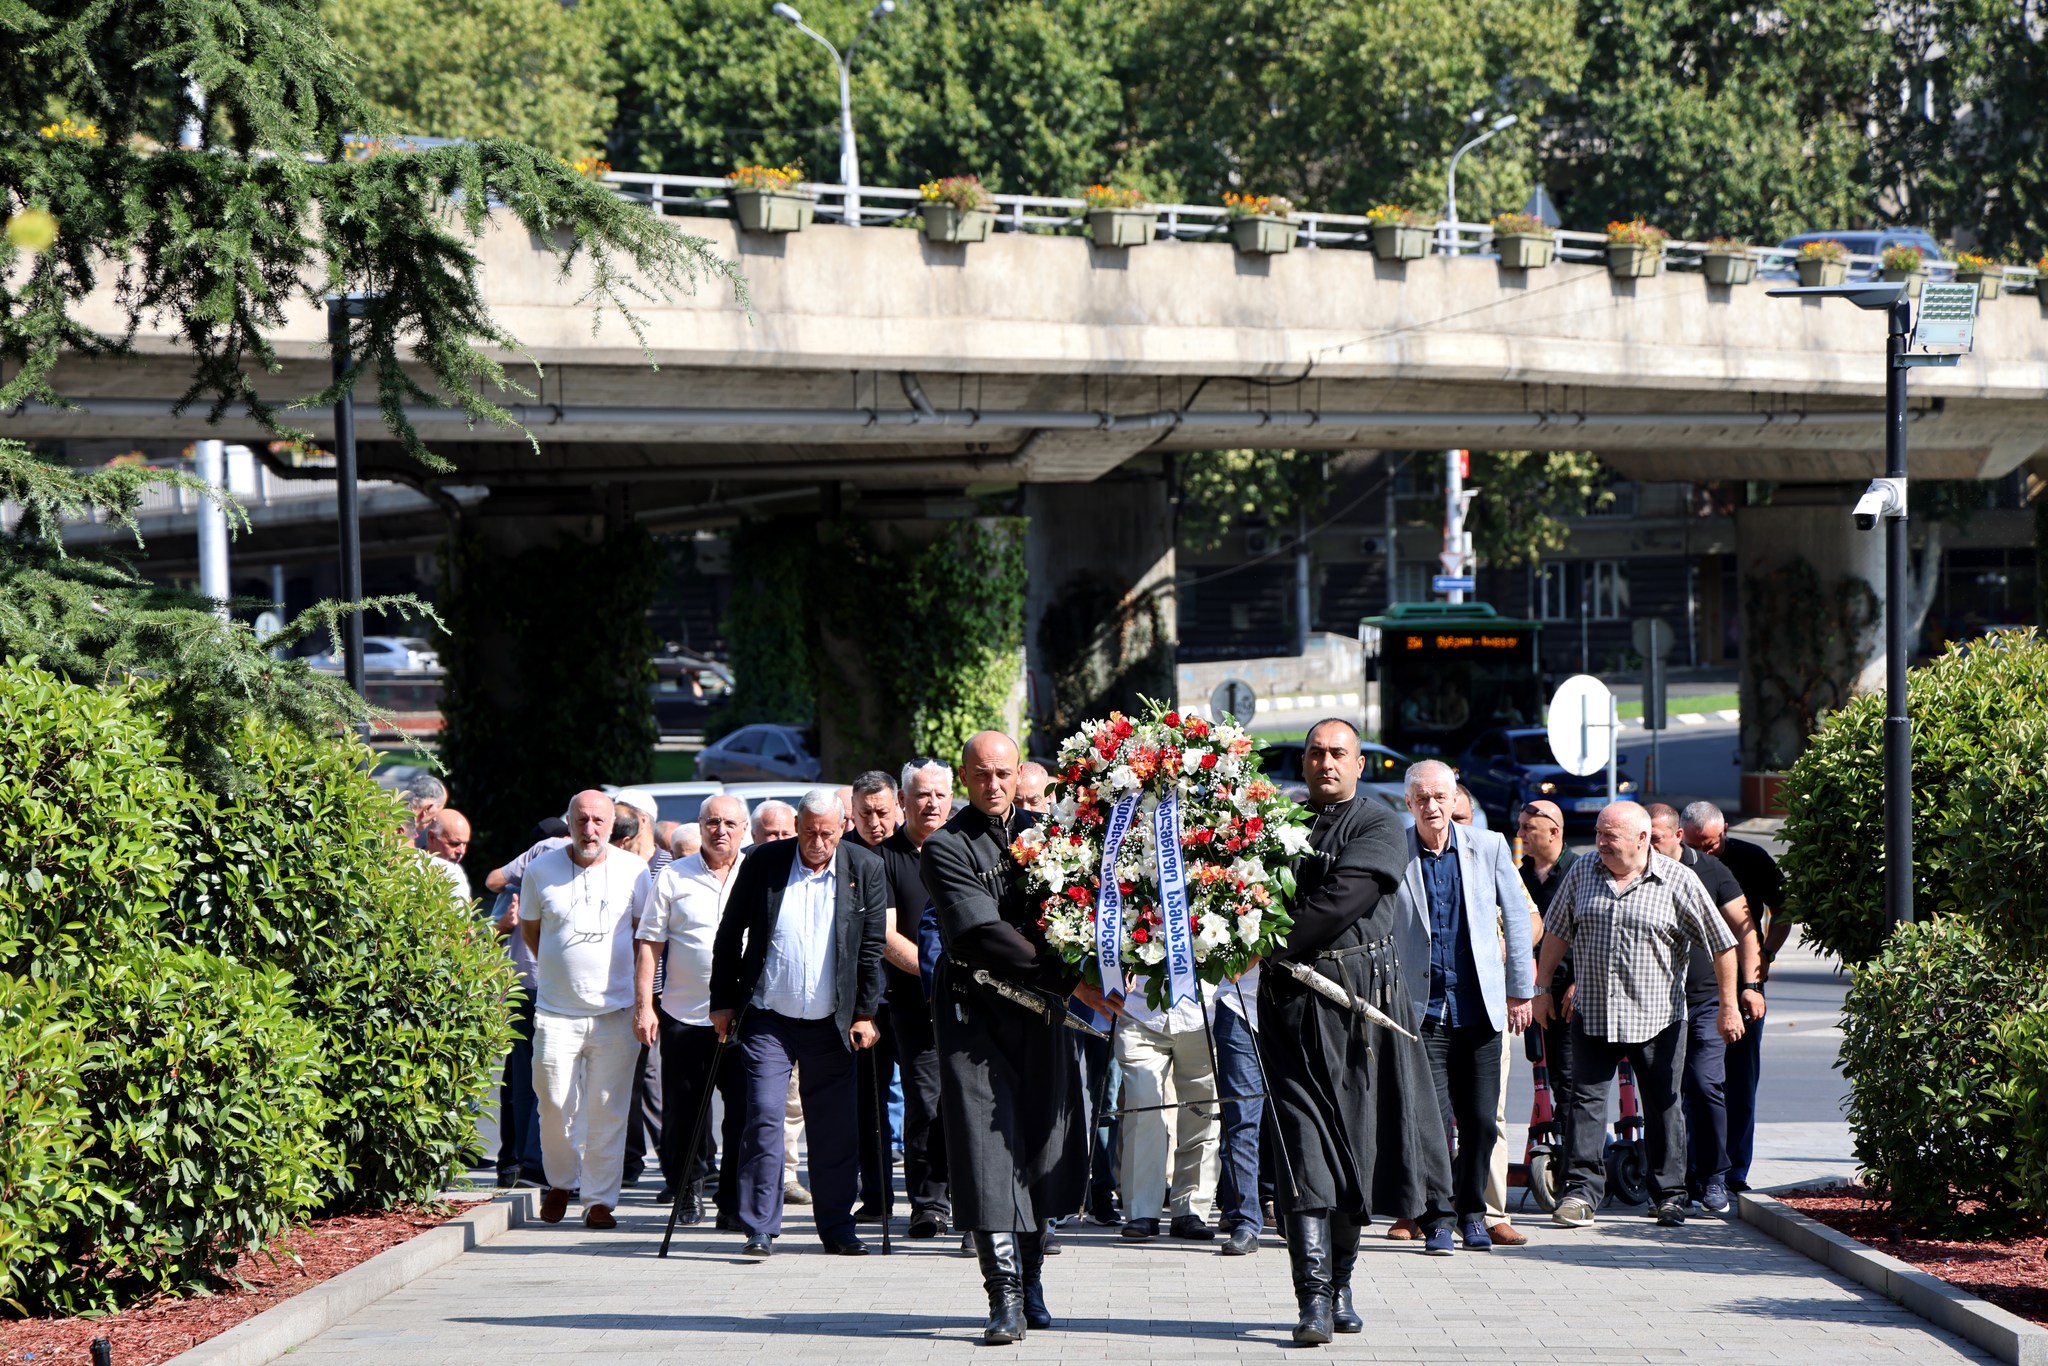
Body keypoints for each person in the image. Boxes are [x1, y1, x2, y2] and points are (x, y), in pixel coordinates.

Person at [1262, 718, 1453, 1345]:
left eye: (1337, 753)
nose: (1325, 763)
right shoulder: (1275, 823)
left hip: (1358, 1014)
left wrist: (1259, 942)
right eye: (1315, 753)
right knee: (1304, 1155)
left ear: (1360, 763)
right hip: (1289, 1009)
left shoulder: (1377, 825)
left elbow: (1342, 899)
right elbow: (1240, 889)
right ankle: (1312, 1298)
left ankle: (1341, 1280)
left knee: (1355, 1153)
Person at [923, 730, 1113, 1345]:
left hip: (1042, 1015)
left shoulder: (1048, 832)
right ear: (965, 776)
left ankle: (1030, 1282)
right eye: (982, 774)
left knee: (1039, 1144)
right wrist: (1072, 978)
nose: (995, 785)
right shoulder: (945, 846)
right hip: (974, 1016)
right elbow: (984, 935)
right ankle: (1001, 1295)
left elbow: (1087, 905)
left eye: (1004, 773)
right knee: (986, 1152)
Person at [1532, 803, 1741, 1229]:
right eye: (1599, 833)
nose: (1601, 843)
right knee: (1584, 1105)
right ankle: (1581, 1193)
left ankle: (1668, 1195)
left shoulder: (1678, 880)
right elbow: (1556, 931)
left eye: (1611, 835)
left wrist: (1729, 1003)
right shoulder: (1584, 870)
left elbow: (1723, 944)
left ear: (1643, 839)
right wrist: (1541, 988)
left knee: (1664, 1107)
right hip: (1592, 1012)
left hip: (1657, 1019)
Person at [709, 790, 888, 1258]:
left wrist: (866, 1013)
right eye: (808, 831)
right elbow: (730, 933)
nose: (817, 841)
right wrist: (722, 1002)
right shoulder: (765, 861)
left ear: (843, 827)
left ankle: (837, 1227)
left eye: (827, 833)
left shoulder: (864, 868)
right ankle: (760, 1227)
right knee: (764, 1117)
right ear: (797, 825)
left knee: (835, 1128)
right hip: (769, 1017)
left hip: (833, 1020)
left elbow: (870, 951)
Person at [1393, 761, 1534, 1253]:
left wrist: (1521, 991)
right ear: (1409, 804)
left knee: (1478, 1120)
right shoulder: (1396, 850)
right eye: (1421, 799)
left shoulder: (1489, 846)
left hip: (1480, 1010)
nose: (1432, 807)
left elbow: (1517, 920)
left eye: (1440, 797)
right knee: (1430, 1122)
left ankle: (1473, 1212)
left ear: (1455, 800)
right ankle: (1437, 1217)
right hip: (1420, 1011)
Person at [519, 791, 649, 1230]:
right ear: (569, 822)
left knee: (608, 1110)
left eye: (598, 820)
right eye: (581, 819)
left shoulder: (634, 871)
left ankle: (598, 1201)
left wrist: (641, 1002)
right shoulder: (540, 870)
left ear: (612, 826)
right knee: (553, 1102)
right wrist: (563, 974)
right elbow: (532, 930)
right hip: (556, 1010)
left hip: (615, 1011)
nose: (589, 828)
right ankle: (560, 1181)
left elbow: (642, 938)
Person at [633, 794, 748, 1226]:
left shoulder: (755, 873)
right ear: (700, 827)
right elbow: (649, 944)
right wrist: (646, 1007)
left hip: (743, 1018)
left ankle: (733, 1202)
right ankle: (687, 1191)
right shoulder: (673, 876)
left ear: (744, 830)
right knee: (685, 1115)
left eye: (730, 823)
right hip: (685, 1015)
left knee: (742, 1112)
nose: (721, 830)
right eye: (713, 822)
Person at [1651, 804, 1766, 1211]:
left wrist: (1749, 987)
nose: (1648, 846)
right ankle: (1673, 1184)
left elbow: (1746, 928)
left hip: (1706, 1000)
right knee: (1665, 1093)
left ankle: (1716, 1175)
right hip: (1657, 1004)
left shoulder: (1713, 872)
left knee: (1704, 1084)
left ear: (1676, 835)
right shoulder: (1637, 873)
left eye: (1656, 837)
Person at [1680, 801, 1785, 1195]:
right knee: (1696, 1081)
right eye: (1696, 844)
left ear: (1723, 829)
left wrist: (1764, 961)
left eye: (1710, 844)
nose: (1704, 852)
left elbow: (1782, 911)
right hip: (1694, 984)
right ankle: (1694, 1170)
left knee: (1740, 1079)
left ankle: (1735, 1169)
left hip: (1744, 983)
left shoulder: (1750, 858)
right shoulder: (1680, 862)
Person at [877, 759, 956, 1238]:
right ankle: (928, 1204)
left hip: (974, 1002)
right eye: (922, 794)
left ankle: (970, 1201)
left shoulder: (964, 850)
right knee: (925, 1104)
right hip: (914, 1003)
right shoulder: (883, 857)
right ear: (903, 800)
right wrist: (939, 976)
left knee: (968, 1104)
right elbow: (886, 935)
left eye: (940, 795)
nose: (931, 803)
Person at [1115, 980, 1222, 1244]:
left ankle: (1191, 1210)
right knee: (1143, 1112)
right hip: (1142, 1012)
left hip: (1203, 1013)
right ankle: (1141, 1212)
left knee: (1204, 1116)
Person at [844, 771, 903, 1218]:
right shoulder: (844, 856)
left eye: (882, 811)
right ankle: (877, 1193)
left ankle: (932, 1198)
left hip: (914, 994)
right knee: (868, 1103)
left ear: (898, 804)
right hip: (866, 1002)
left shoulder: (914, 851)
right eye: (864, 814)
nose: (875, 822)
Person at [420, 809, 473, 903]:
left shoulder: (455, 872)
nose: (462, 851)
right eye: (454, 843)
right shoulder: (409, 868)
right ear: (431, 838)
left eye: (465, 844)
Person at [848, 771, 900, 850]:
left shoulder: (917, 848)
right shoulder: (837, 851)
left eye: (882, 813)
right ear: (853, 806)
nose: (874, 823)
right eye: (866, 812)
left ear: (896, 806)